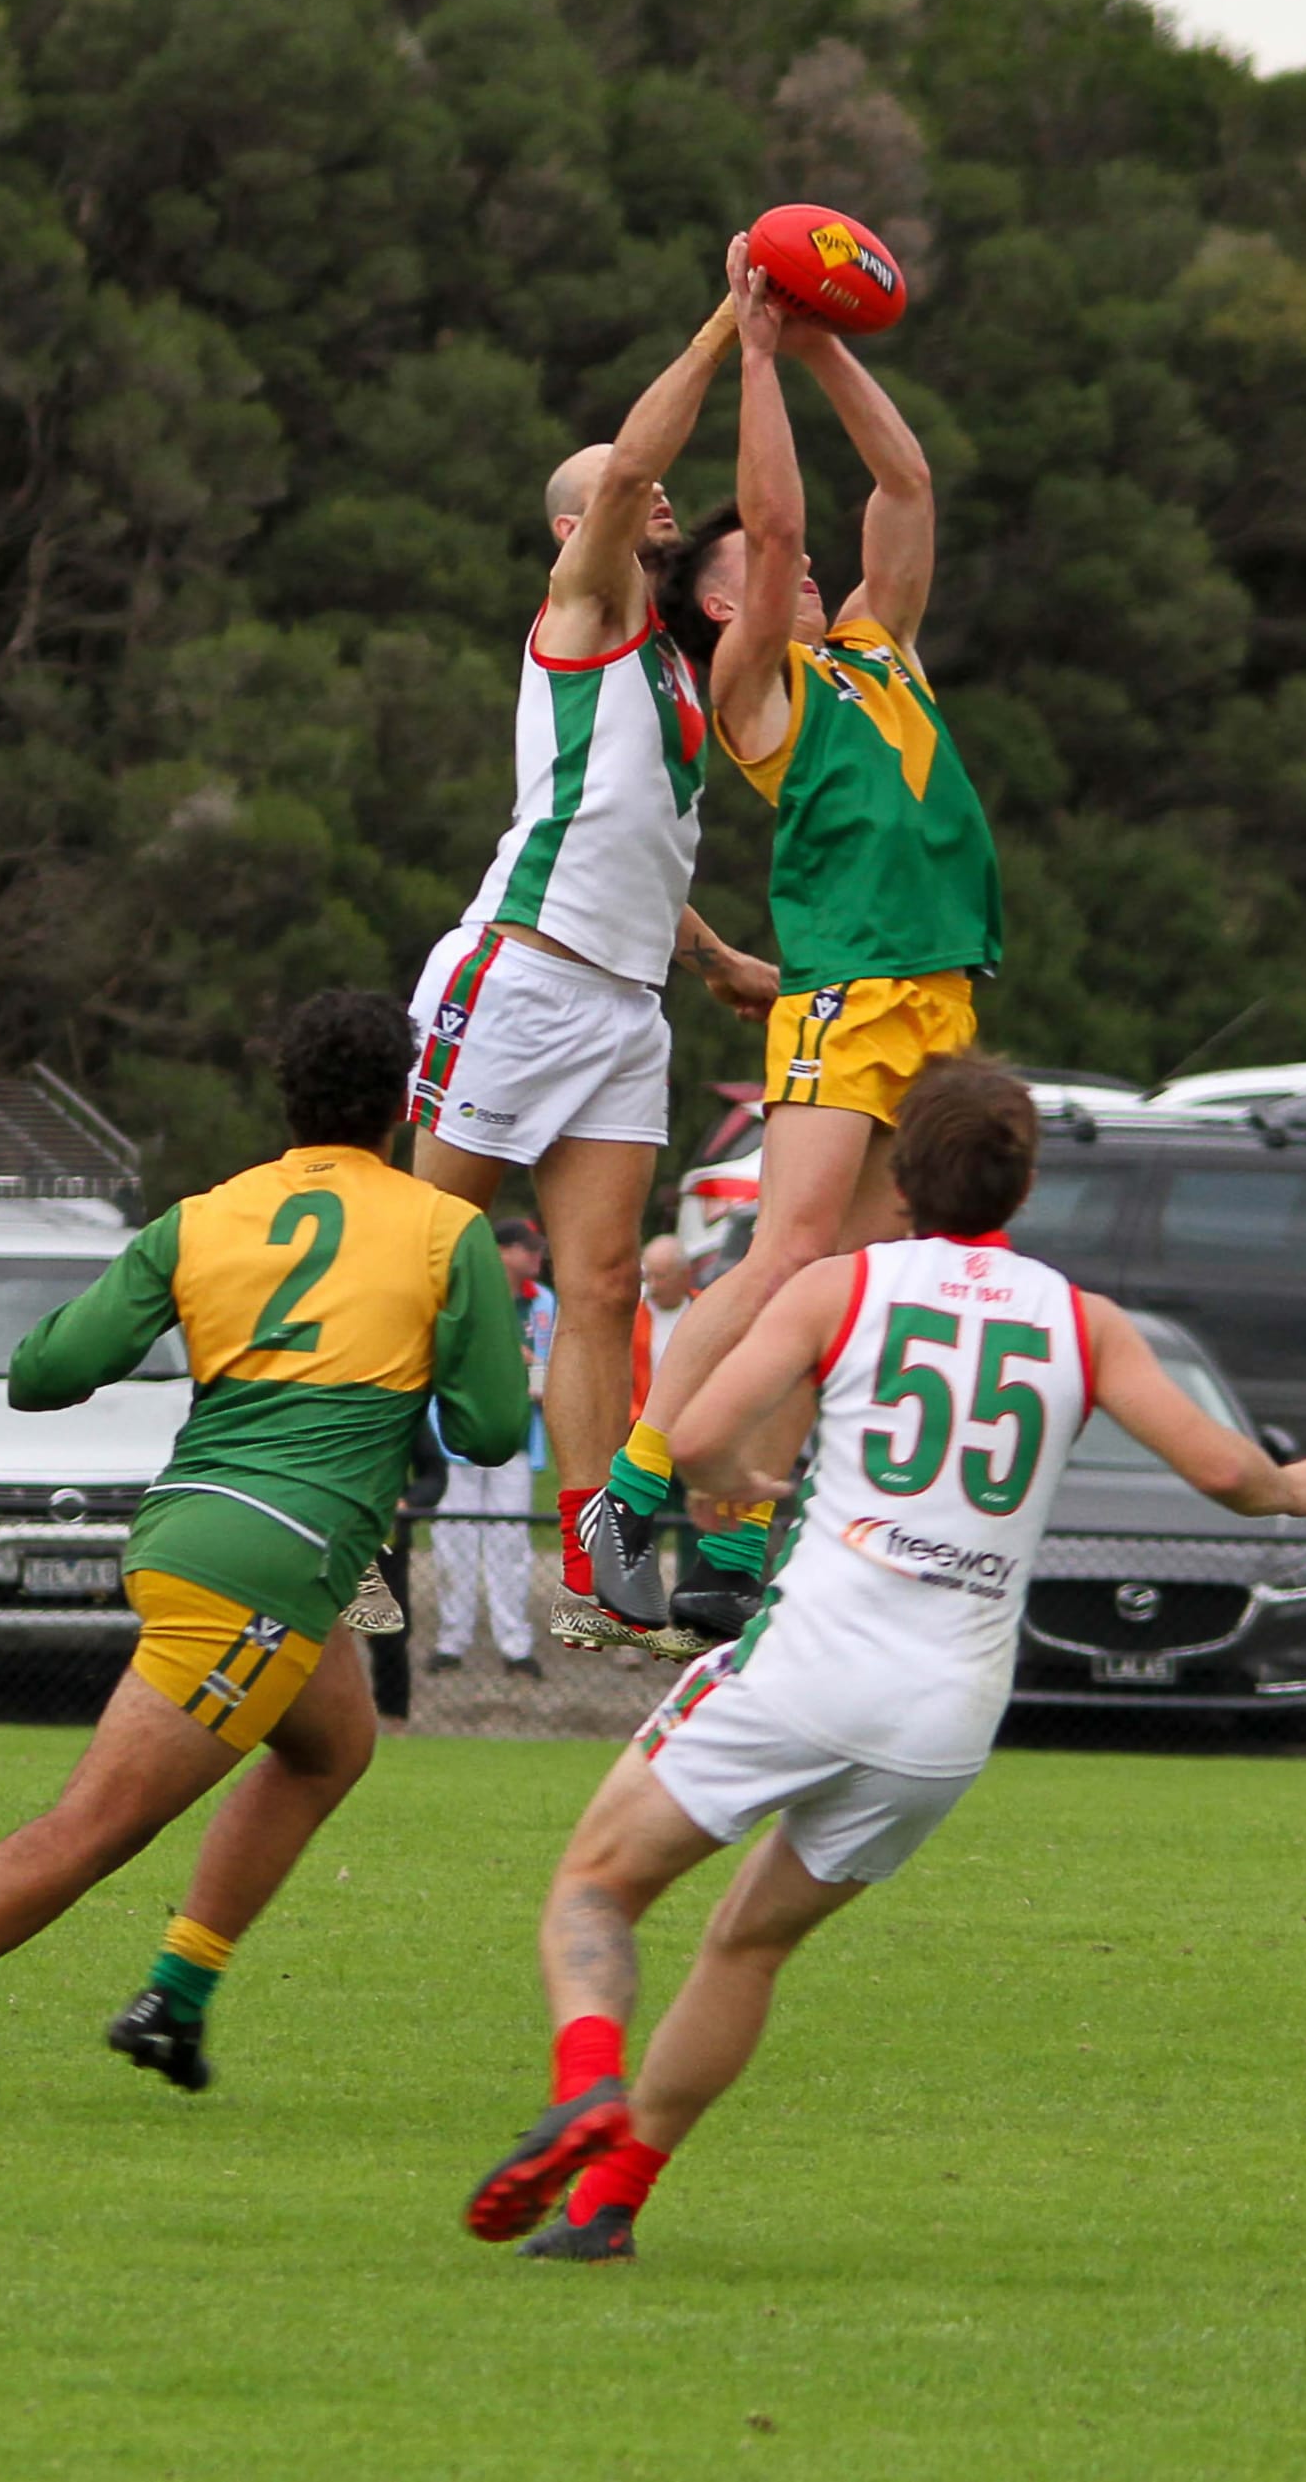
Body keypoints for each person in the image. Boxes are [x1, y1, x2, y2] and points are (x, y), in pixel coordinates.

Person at [465, 1057, 1306, 2257]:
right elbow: (1216, 1469)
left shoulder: (842, 1287)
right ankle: (609, 2206)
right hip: (943, 1717)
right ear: (1023, 1181)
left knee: (595, 1886)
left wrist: (725, 1476)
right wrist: (1288, 1484)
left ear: (897, 1176)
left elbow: (693, 1433)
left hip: (806, 1665)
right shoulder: (1079, 1321)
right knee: (749, 1941)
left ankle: (585, 2081)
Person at [0, 991, 528, 2112]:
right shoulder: (445, 1229)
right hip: (273, 1559)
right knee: (96, 1825)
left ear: (285, 1098)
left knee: (331, 1745)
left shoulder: (202, 1217)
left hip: (193, 1526)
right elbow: (486, 1432)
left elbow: (42, 1371)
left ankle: (177, 1994)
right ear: (407, 1097)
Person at [579, 234, 1001, 1652]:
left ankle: (735, 1542)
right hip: (854, 992)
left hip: (939, 992)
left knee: (858, 1279)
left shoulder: (881, 650)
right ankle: (632, 1492)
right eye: (770, 570)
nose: (808, 566)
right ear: (718, 610)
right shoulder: (757, 687)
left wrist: (825, 346)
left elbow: (907, 485)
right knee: (783, 1258)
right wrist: (755, 357)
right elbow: (771, 532)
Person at [405, 291, 778, 1653]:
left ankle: (592, 1560)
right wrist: (728, 326)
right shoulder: (582, 608)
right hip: (520, 976)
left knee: (606, 1285)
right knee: (420, 1257)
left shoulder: (673, 672)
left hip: (623, 1003)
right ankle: (334, 1495)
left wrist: (718, 952)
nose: (664, 502)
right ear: (581, 531)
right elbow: (625, 468)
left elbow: (633, 837)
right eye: (643, 496)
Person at [429, 1220, 554, 1678]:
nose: (538, 1258)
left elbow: (549, 1372)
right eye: (530, 1249)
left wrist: (530, 1367)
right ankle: (451, 1640)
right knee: (452, 1540)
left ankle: (515, 1644)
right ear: (502, 1252)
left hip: (515, 1439)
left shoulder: (542, 1303)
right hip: (456, 1439)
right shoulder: (460, 1292)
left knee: (510, 1541)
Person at [630, 1232, 693, 1420]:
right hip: (645, 1426)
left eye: (661, 1277)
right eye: (647, 1276)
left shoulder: (707, 1309)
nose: (652, 1285)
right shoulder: (631, 1321)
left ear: (684, 1276)